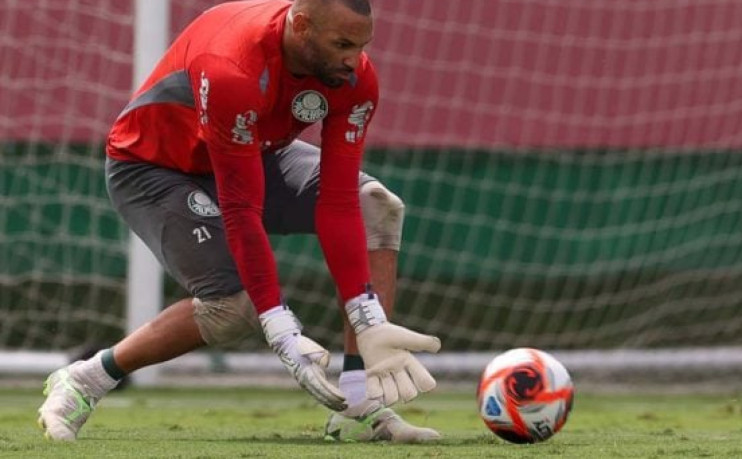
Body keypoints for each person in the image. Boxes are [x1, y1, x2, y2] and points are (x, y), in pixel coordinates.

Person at [38, 0, 441, 443]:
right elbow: (241, 209)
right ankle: (85, 380)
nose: (354, 59)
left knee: (375, 205)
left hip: (254, 150)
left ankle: (360, 403)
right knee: (232, 310)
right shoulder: (233, 67)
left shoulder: (356, 77)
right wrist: (281, 328)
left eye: (362, 44)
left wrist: (367, 319)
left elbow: (339, 200)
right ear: (301, 27)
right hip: (155, 167)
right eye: (342, 44)